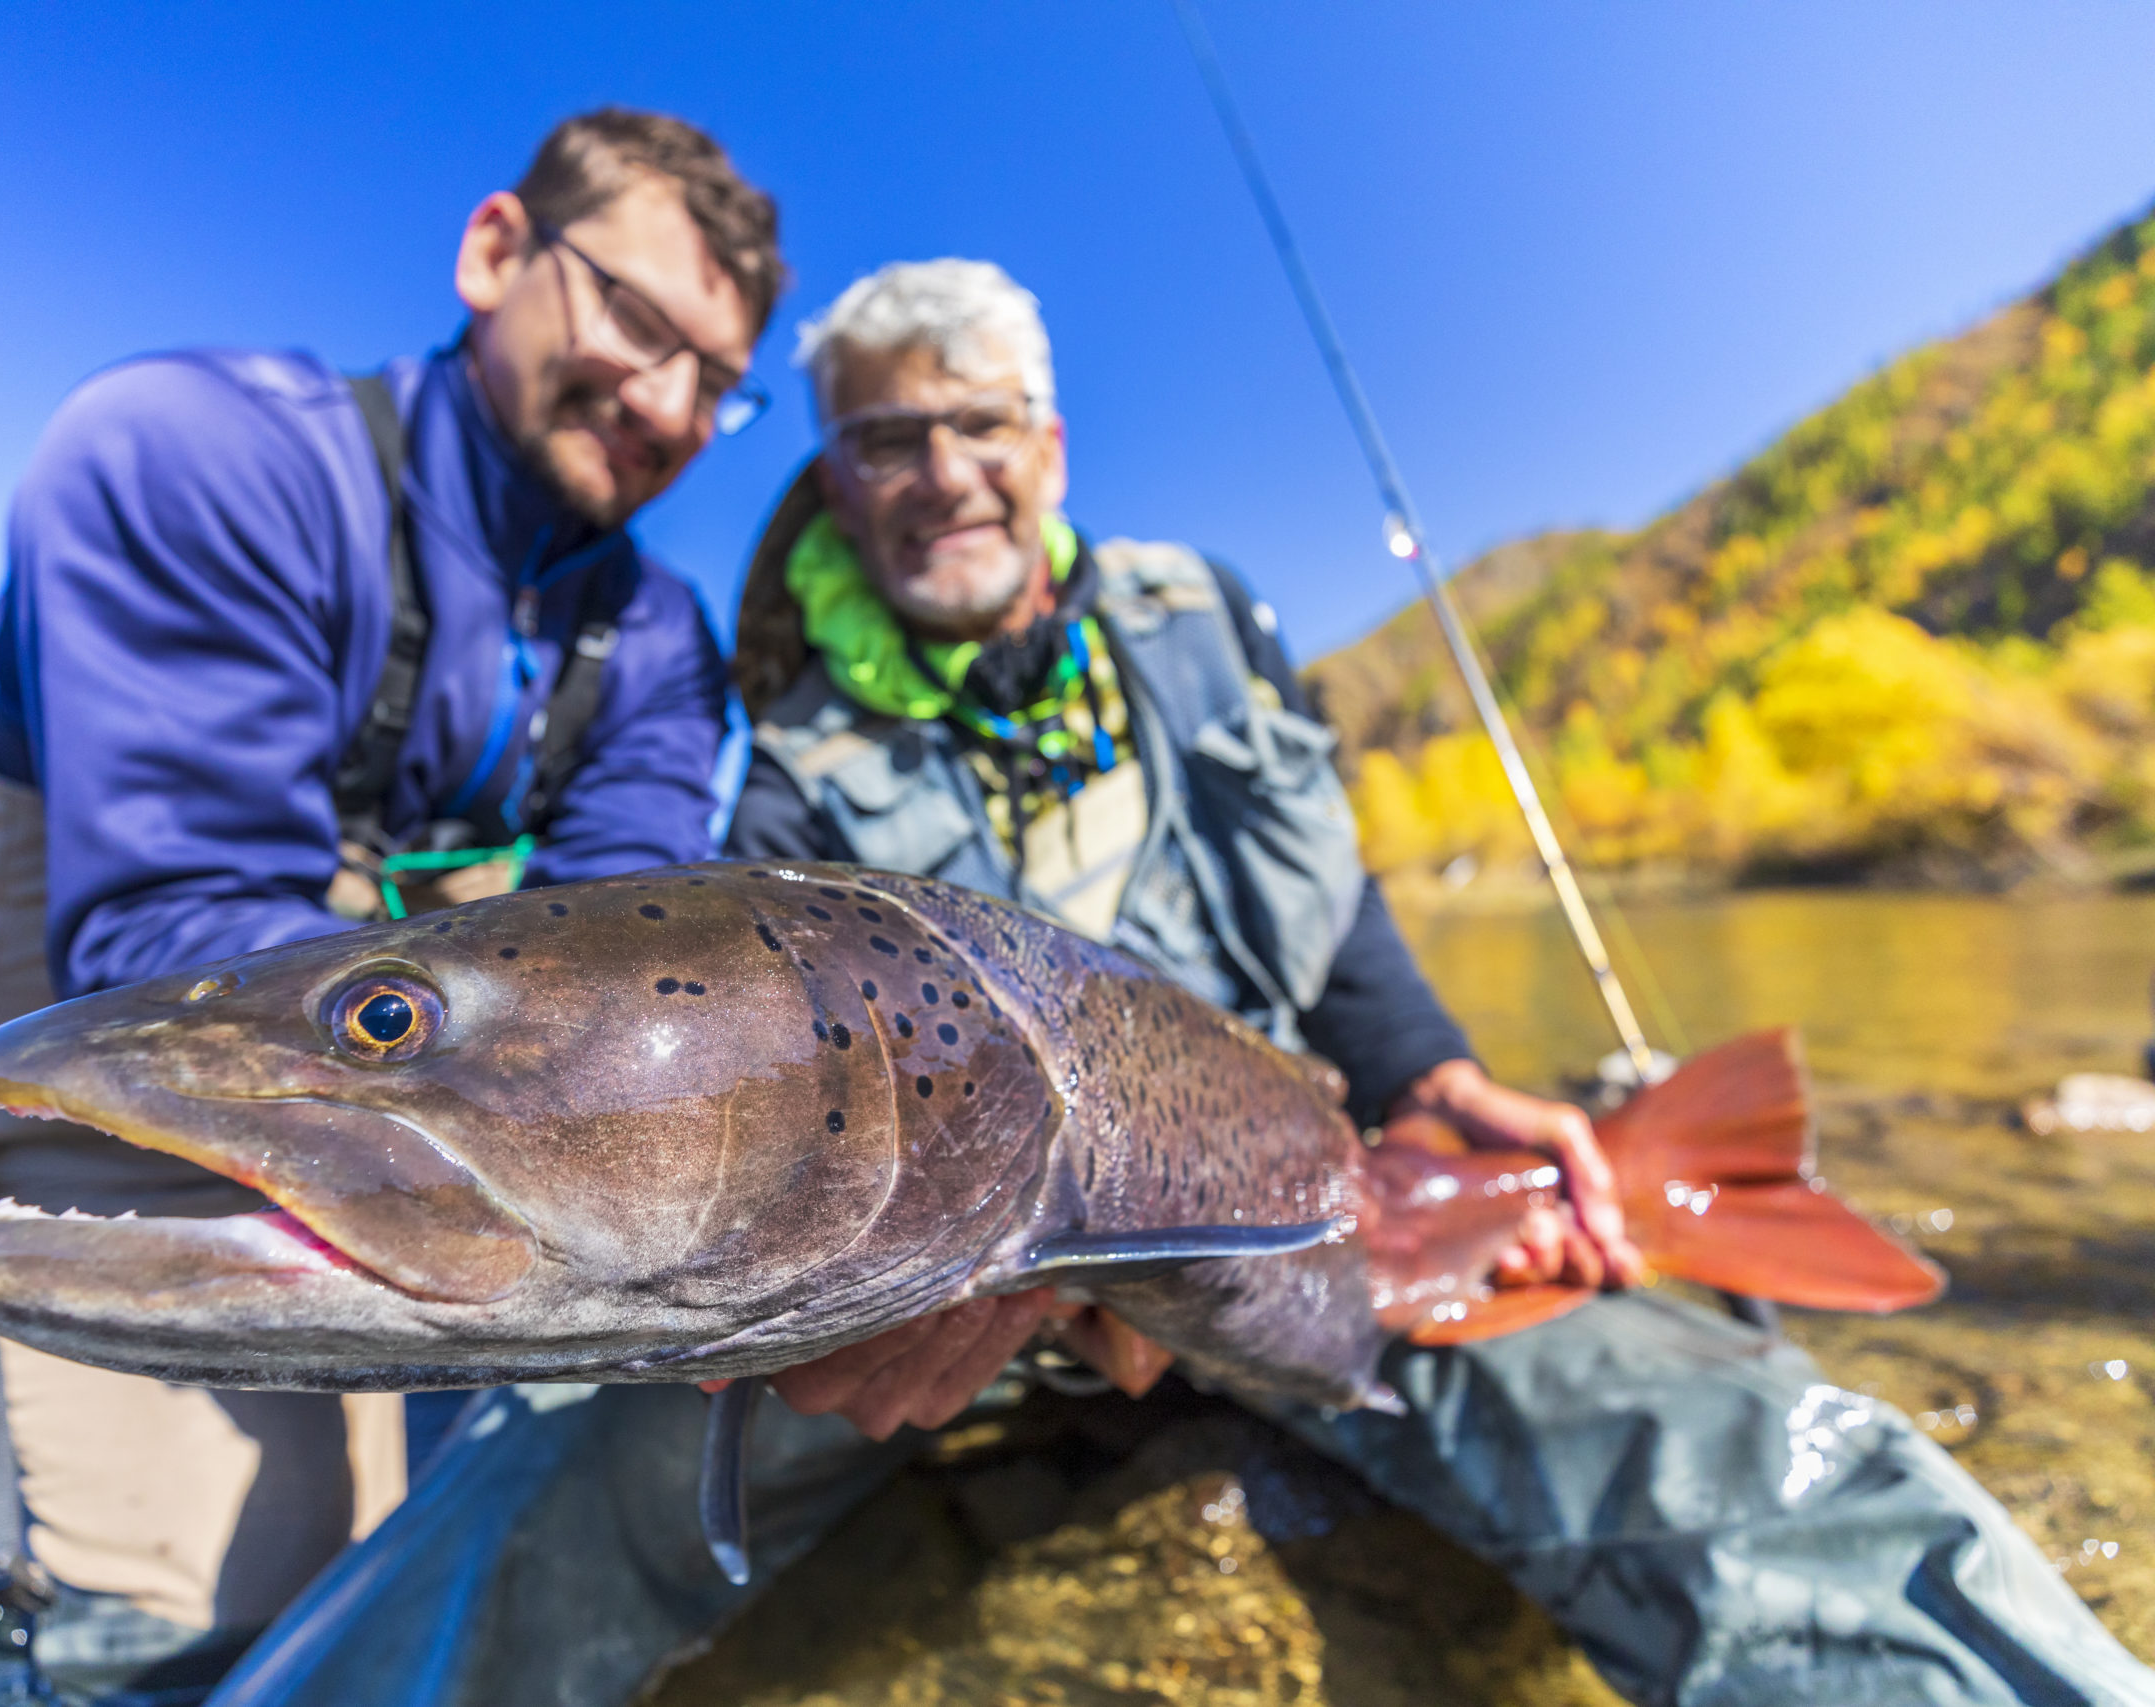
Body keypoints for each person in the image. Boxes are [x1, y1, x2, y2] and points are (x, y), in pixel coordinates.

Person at [241, 259, 2153, 1707]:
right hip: (978, 1297)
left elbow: (1331, 914)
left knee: (1735, 1443)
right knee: (534, 1485)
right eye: (883, 440)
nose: (940, 474)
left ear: (1046, 446)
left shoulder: (1200, 622)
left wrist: (1441, 1078)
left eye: (974, 424)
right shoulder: (784, 781)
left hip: (1315, 1225)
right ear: (832, 477)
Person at [0, 109, 785, 1705]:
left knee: (493, 1515)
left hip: (437, 1021)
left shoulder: (660, 640)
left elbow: (617, 977)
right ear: (495, 254)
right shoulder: (192, 453)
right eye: (640, 324)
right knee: (199, 1634)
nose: (669, 404)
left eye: (717, 382)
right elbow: (162, 919)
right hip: (136, 992)